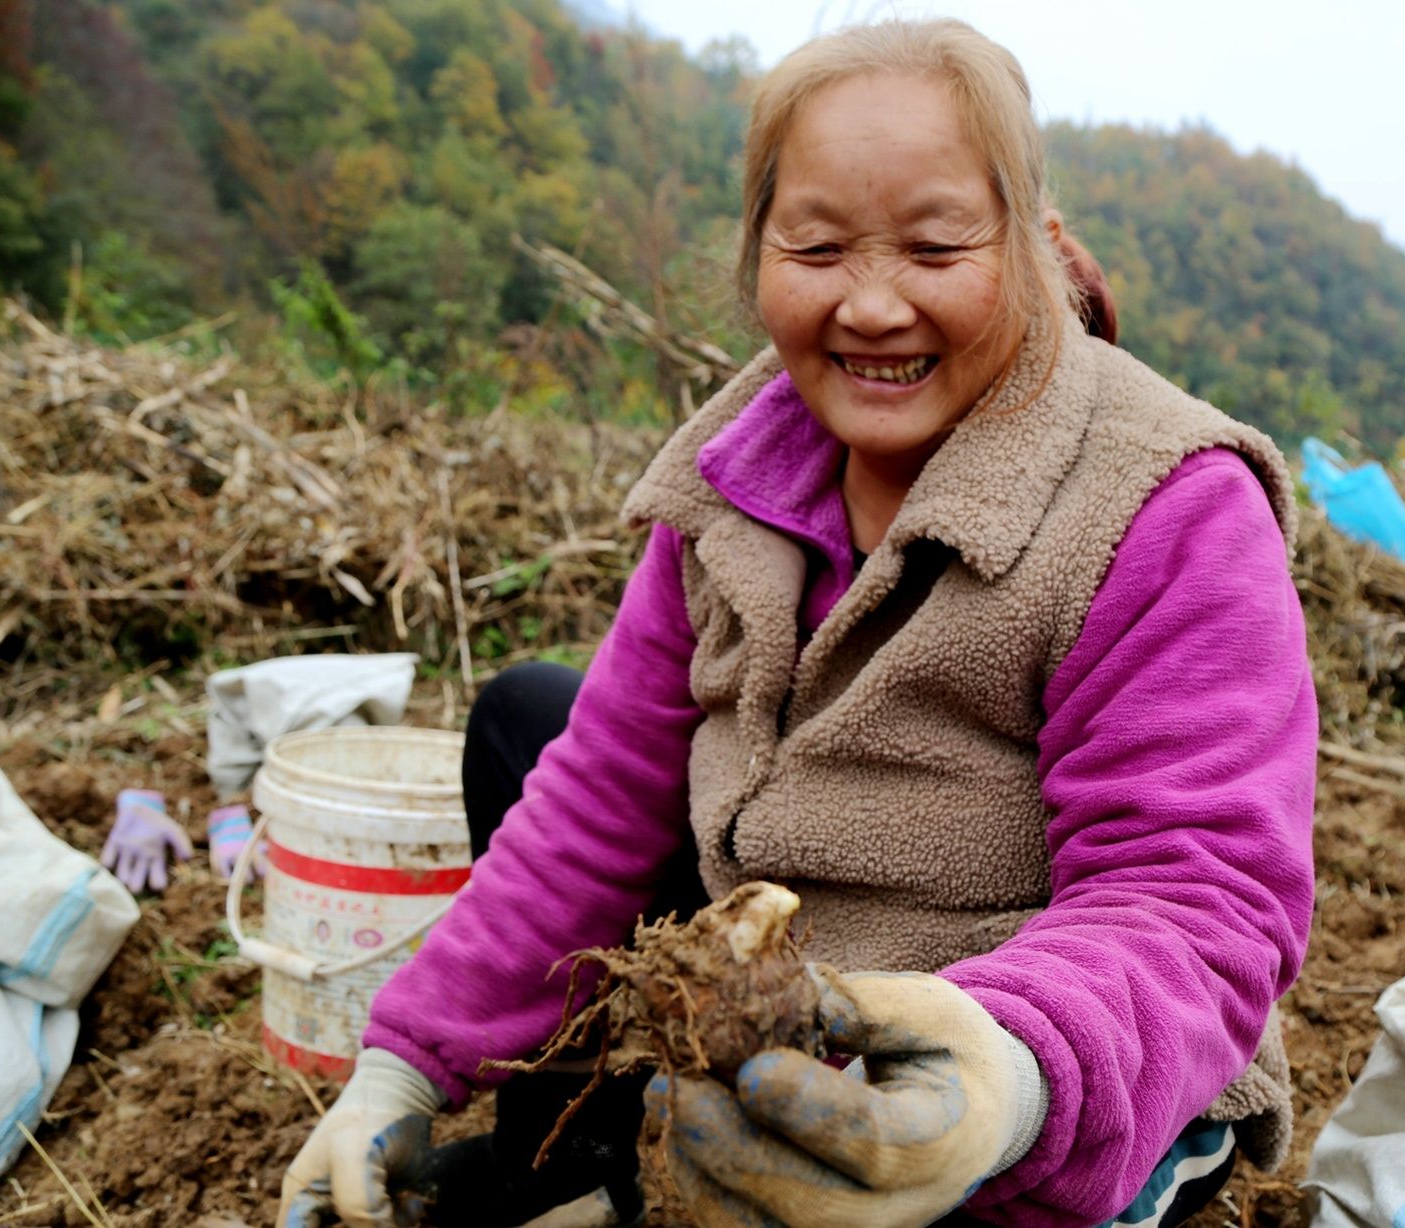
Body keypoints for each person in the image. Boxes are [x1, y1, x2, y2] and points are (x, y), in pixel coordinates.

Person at [276, 19, 1316, 1228]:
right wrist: (402, 1062)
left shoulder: (1165, 505)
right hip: (787, 989)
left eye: (937, 247)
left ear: (1034, 244)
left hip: (1040, 1079)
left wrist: (1002, 1078)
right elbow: (599, 795)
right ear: (758, 248)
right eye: (815, 246)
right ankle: (596, 1147)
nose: (872, 306)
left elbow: (1193, 899)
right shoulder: (737, 476)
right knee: (529, 722)